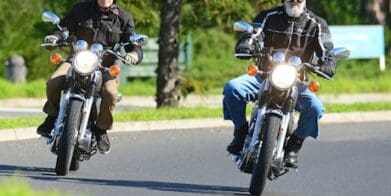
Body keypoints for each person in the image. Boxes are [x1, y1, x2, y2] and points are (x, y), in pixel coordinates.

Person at [224, 0, 337, 168]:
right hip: (264, 76)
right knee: (233, 88)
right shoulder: (268, 16)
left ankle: (294, 145)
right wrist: (246, 45)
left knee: (315, 107)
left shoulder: (317, 24)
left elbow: (327, 49)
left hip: (297, 81)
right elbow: (253, 34)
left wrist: (328, 64)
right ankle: (240, 131)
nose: (295, 1)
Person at [37, 0, 143, 154]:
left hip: (105, 63)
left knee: (110, 93)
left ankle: (101, 128)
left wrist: (134, 53)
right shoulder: (81, 9)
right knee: (54, 81)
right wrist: (54, 37)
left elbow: (131, 41)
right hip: (78, 59)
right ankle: (52, 116)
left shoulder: (123, 17)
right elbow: (65, 28)